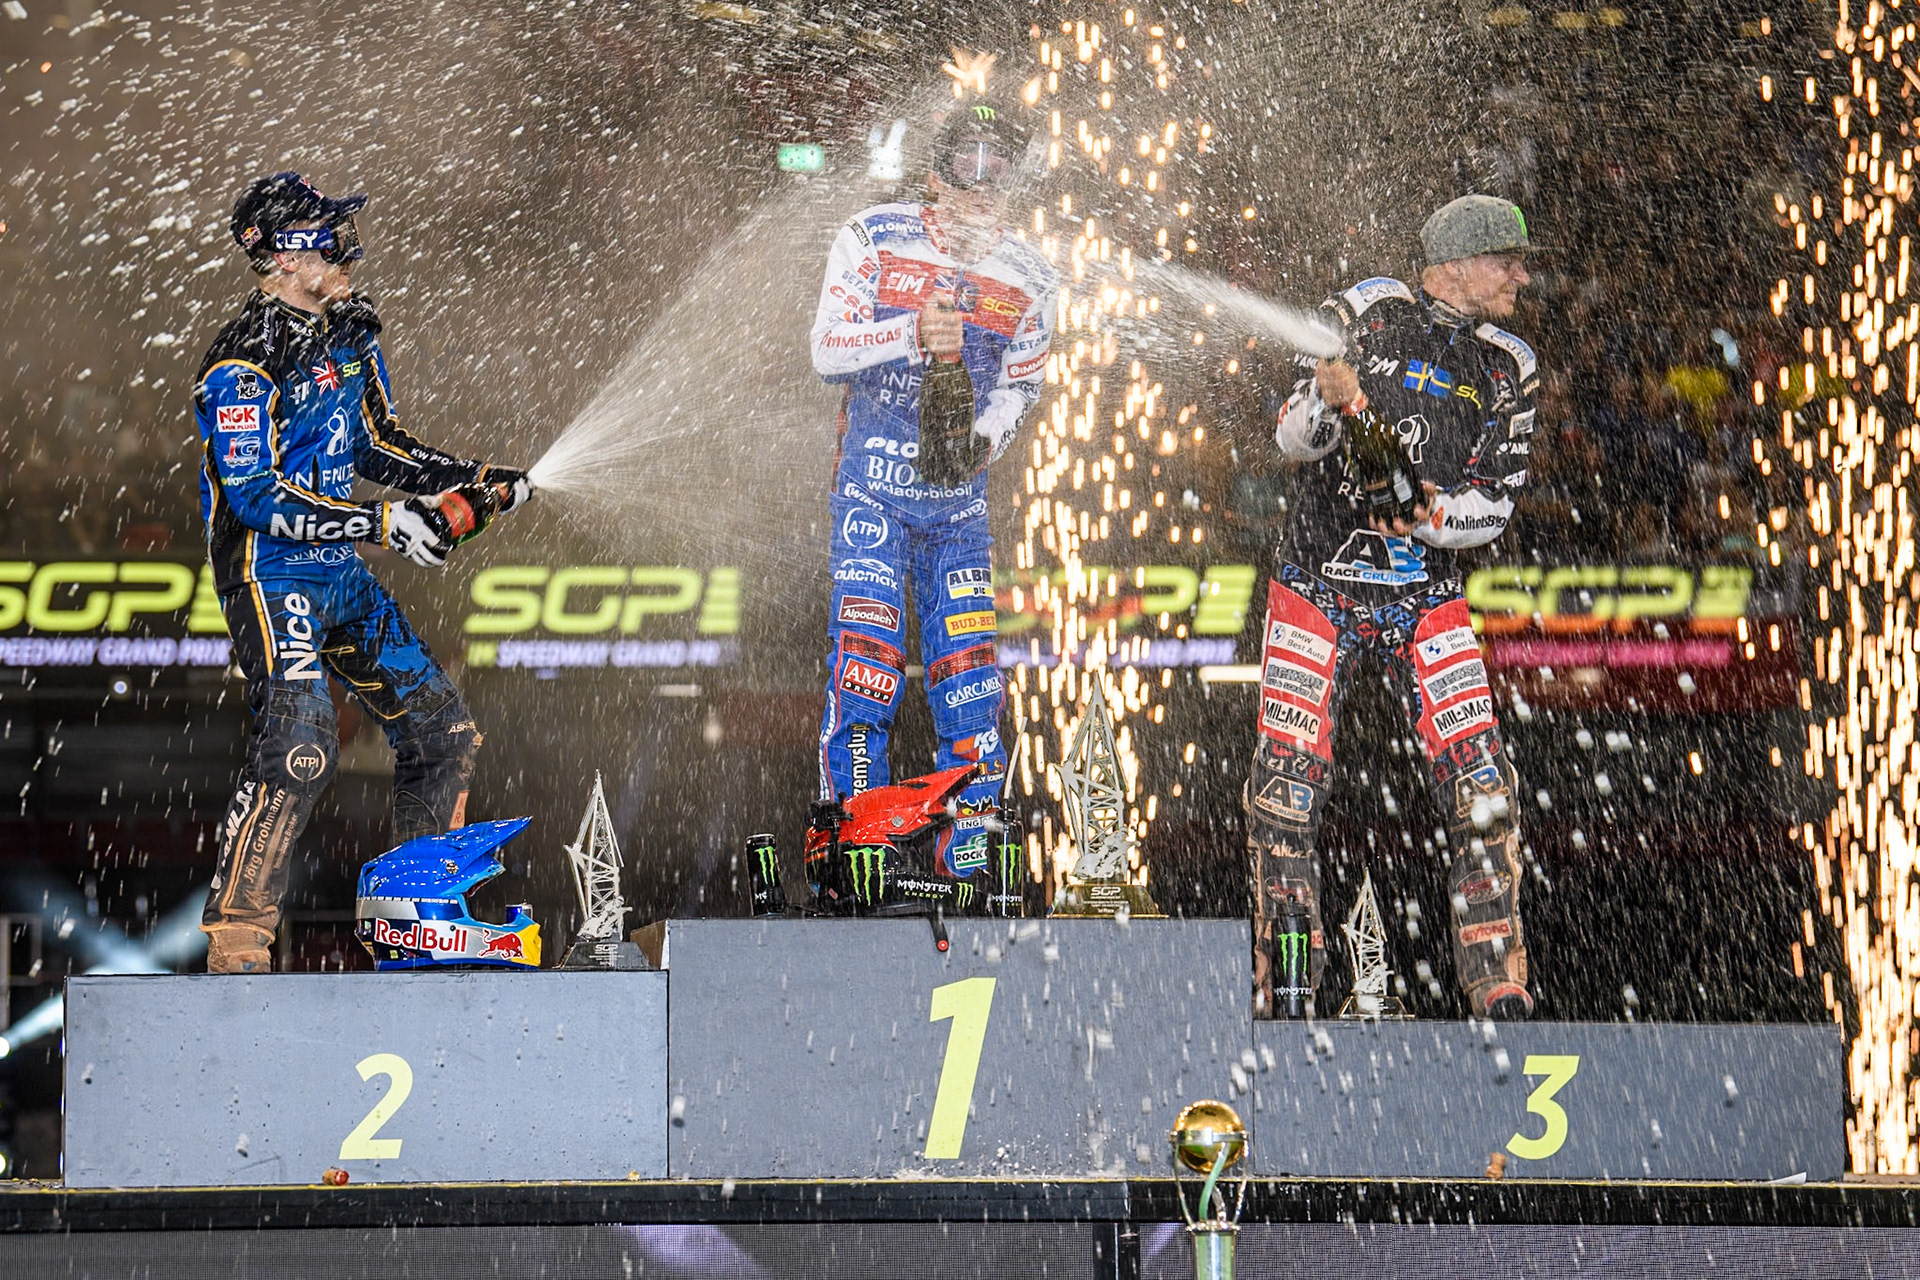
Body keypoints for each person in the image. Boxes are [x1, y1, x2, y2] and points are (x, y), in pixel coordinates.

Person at [192, 171, 533, 973]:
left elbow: (378, 443)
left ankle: (417, 909)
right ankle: (238, 943)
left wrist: (472, 478)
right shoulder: (238, 363)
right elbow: (255, 495)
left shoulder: (351, 331)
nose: (345, 246)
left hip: (338, 569)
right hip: (269, 574)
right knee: (302, 742)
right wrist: (385, 521)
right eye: (325, 235)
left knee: (442, 732)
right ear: (275, 256)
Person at [1249, 194, 1541, 1020]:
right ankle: (1288, 982)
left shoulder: (1511, 363)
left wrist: (1431, 517)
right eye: (1506, 259)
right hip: (1317, 584)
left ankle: (1499, 982)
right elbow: (1290, 439)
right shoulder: (1370, 309)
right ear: (1454, 264)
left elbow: (1497, 504)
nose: (1521, 274)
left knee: (1483, 786)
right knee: (1286, 787)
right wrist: (1324, 395)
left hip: (1426, 595)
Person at [809, 104, 1056, 899]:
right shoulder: (872, 236)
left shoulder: (1032, 276)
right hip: (872, 495)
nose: (979, 187)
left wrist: (982, 439)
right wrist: (909, 334)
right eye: (965, 168)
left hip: (957, 509)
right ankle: (856, 850)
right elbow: (825, 350)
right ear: (934, 177)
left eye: (997, 172)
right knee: (868, 673)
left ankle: (972, 862)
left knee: (971, 684)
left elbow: (1024, 381)